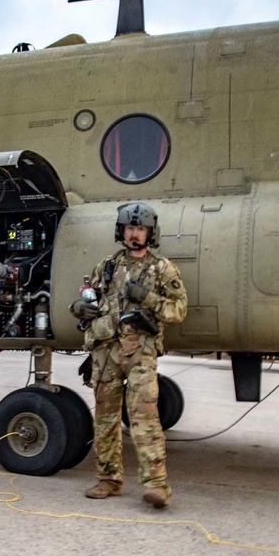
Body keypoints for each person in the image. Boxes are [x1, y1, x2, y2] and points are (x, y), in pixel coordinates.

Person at [70, 202, 187, 508]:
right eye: (130, 229)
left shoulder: (162, 268)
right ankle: (109, 479)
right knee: (105, 420)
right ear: (121, 231)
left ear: (150, 232)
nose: (135, 235)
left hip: (140, 354)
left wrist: (147, 297)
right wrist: (80, 308)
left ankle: (157, 485)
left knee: (145, 418)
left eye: (141, 229)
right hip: (106, 351)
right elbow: (86, 298)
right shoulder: (107, 265)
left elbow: (178, 310)